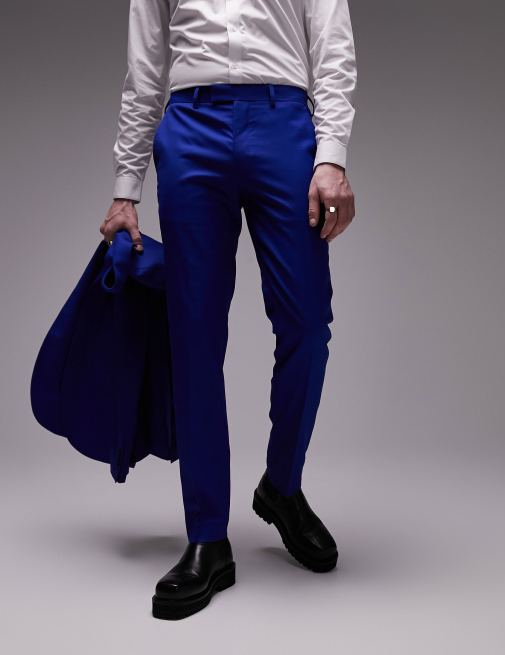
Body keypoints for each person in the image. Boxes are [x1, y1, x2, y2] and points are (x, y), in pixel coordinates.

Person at [99, 0, 357, 620]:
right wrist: (126, 187)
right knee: (193, 337)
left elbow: (333, 47)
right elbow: (145, 68)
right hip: (191, 127)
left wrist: (331, 155)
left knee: (306, 324)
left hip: (283, 122)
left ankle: (282, 486)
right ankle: (207, 535)